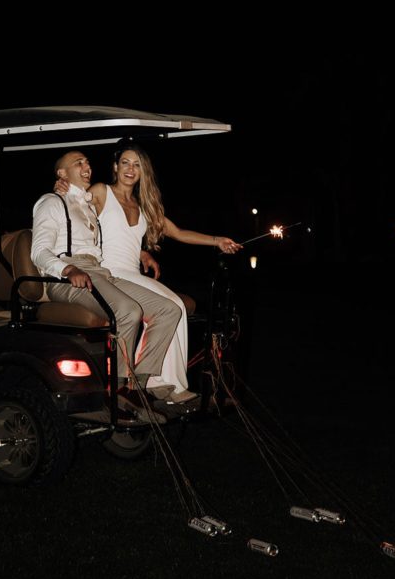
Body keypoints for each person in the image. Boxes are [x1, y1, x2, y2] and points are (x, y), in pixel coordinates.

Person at [55, 143, 241, 401]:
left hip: (131, 274)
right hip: (107, 272)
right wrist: (60, 188)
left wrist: (217, 240)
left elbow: (178, 233)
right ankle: (162, 383)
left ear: (144, 172)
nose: (130, 169)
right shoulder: (101, 191)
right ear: (115, 167)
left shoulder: (143, 206)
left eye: (137, 165)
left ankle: (158, 381)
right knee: (173, 304)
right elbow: (73, 206)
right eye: (125, 163)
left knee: (174, 305)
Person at [31, 151, 182, 410]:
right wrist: (67, 270)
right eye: (78, 163)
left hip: (99, 272)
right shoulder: (51, 202)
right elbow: (39, 251)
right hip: (67, 277)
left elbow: (117, 230)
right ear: (61, 174)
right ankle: (120, 386)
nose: (86, 165)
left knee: (168, 310)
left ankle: (139, 384)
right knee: (129, 311)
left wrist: (142, 251)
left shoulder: (88, 204)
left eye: (88, 161)